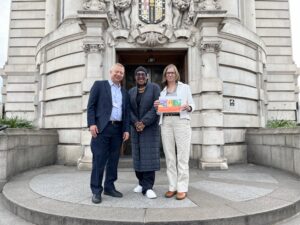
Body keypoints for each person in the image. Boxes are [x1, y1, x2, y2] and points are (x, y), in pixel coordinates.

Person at [87, 63, 130, 204]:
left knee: (113, 160)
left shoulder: (124, 92)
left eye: (121, 73)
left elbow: (126, 113)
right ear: (110, 72)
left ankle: (109, 187)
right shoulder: (100, 85)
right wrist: (92, 124)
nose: (118, 74)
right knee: (99, 160)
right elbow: (91, 106)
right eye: (116, 72)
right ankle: (96, 191)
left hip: (117, 130)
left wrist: (126, 129)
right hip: (102, 129)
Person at [154, 64, 195, 200]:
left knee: (182, 156)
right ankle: (172, 186)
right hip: (166, 122)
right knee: (170, 157)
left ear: (176, 74)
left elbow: (192, 105)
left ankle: (182, 188)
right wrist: (157, 106)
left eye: (172, 72)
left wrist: (187, 106)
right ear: (165, 75)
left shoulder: (185, 88)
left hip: (181, 122)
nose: (170, 75)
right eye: (167, 73)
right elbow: (160, 111)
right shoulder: (162, 92)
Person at [128, 66, 161, 199]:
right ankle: (141, 182)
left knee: (149, 157)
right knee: (138, 156)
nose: (140, 76)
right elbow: (128, 110)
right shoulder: (131, 91)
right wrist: (136, 123)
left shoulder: (154, 88)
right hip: (136, 128)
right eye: (138, 75)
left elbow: (157, 108)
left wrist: (144, 122)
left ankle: (148, 187)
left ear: (147, 76)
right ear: (135, 77)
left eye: (143, 74)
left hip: (150, 128)